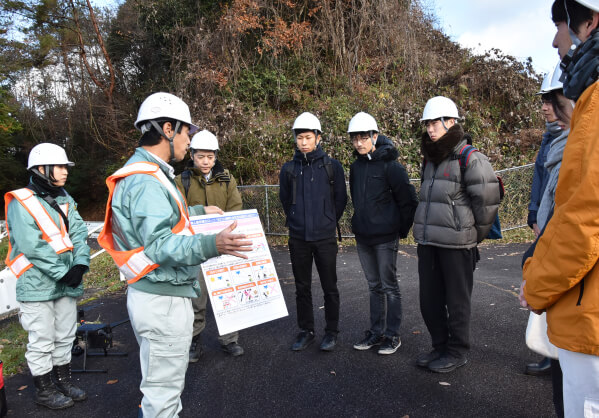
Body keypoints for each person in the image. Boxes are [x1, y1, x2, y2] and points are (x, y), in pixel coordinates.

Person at [98, 92, 252, 417]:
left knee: (165, 391)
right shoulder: (145, 179)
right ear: (168, 128)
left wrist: (197, 209)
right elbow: (159, 244)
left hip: (159, 295)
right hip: (163, 301)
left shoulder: (152, 174)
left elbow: (168, 219)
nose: (188, 141)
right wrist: (214, 244)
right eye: (186, 132)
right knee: (163, 398)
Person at [521, 1, 599, 416]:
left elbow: (584, 221)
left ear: (592, 21)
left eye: (561, 25)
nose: (556, 39)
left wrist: (535, 282)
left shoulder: (596, 104)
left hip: (591, 322)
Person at [413, 96, 501, 373]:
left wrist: (471, 236)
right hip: (428, 242)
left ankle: (457, 350)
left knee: (457, 302)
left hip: (457, 245)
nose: (430, 128)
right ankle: (439, 347)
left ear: (451, 122)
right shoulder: (429, 158)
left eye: (435, 122)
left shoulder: (470, 158)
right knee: (429, 300)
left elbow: (487, 204)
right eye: (427, 123)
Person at [5, 143, 89, 410]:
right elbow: (32, 246)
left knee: (65, 334)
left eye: (66, 167)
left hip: (66, 280)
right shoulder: (21, 203)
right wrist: (65, 272)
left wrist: (80, 265)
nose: (65, 172)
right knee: (42, 338)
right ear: (42, 169)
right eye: (61, 167)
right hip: (37, 283)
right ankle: (44, 391)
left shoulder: (65, 199)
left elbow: (79, 234)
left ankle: (62, 381)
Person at [347, 112, 418, 355]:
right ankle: (376, 332)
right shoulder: (356, 167)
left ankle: (392, 335)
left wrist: (399, 229)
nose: (358, 142)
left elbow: (408, 200)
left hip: (386, 237)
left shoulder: (391, 167)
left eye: (363, 137)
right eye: (354, 138)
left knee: (389, 286)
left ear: (375, 136)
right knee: (373, 286)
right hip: (363, 236)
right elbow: (356, 200)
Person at [279, 112, 348, 352]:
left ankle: (332, 331)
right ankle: (306, 330)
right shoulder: (289, 169)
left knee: (330, 286)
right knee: (302, 287)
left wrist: (328, 221)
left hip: (325, 237)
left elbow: (340, 199)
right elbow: (285, 200)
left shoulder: (332, 167)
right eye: (300, 138)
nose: (304, 142)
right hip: (298, 238)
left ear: (318, 138)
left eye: (308, 137)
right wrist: (298, 221)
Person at [175, 129, 244, 361]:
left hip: (224, 246)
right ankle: (194, 340)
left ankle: (230, 339)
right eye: (200, 156)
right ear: (192, 155)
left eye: (210, 157)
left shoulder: (227, 179)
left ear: (216, 156)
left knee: (227, 294)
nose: (205, 162)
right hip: (196, 249)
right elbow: (177, 214)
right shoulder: (181, 181)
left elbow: (235, 209)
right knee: (197, 297)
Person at [524, 62, 566, 377]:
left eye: (552, 100)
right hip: (544, 222)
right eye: (543, 100)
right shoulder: (548, 138)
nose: (545, 107)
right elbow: (540, 178)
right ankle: (550, 353)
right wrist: (533, 213)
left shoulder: (577, 140)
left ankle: (559, 355)